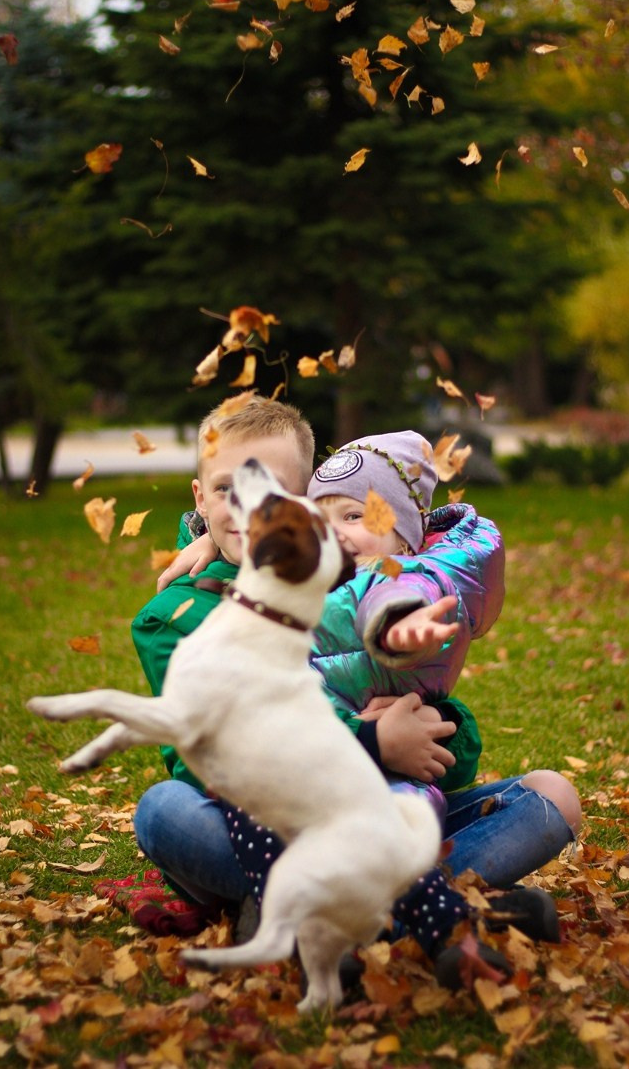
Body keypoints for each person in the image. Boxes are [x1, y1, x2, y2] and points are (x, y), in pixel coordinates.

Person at [126, 397, 581, 984]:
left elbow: (453, 750)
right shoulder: (178, 615)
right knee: (164, 810)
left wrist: (428, 729)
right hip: (259, 822)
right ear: (199, 497)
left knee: (549, 796)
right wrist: (372, 742)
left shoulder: (346, 586)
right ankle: (445, 912)